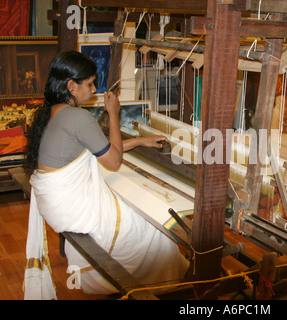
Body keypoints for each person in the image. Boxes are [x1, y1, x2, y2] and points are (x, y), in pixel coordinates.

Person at [23, 51, 189, 299]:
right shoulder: (78, 118)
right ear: (71, 86)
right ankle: (165, 282)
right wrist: (114, 113)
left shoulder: (54, 112)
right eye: (89, 83)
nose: (94, 89)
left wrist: (141, 141)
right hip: (70, 211)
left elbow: (98, 149)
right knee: (149, 225)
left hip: (55, 206)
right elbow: (113, 161)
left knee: (131, 207)